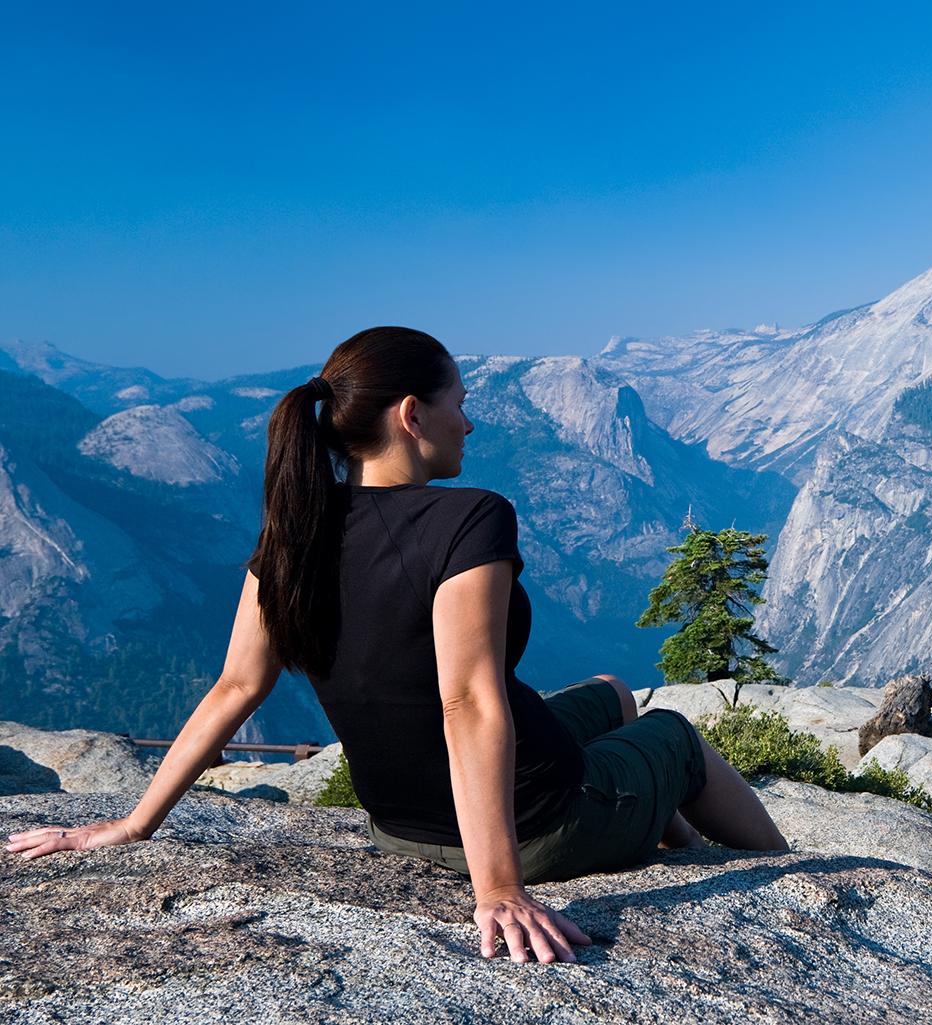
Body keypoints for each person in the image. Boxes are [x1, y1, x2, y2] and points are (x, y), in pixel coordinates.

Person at [5, 326, 789, 965]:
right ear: (412, 415)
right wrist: (499, 887)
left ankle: (670, 843)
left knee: (617, 693)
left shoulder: (292, 538)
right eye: (459, 404)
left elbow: (234, 688)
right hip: (539, 819)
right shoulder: (470, 518)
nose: (470, 423)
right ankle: (778, 869)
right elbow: (468, 699)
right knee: (677, 736)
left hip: (398, 825)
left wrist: (131, 824)